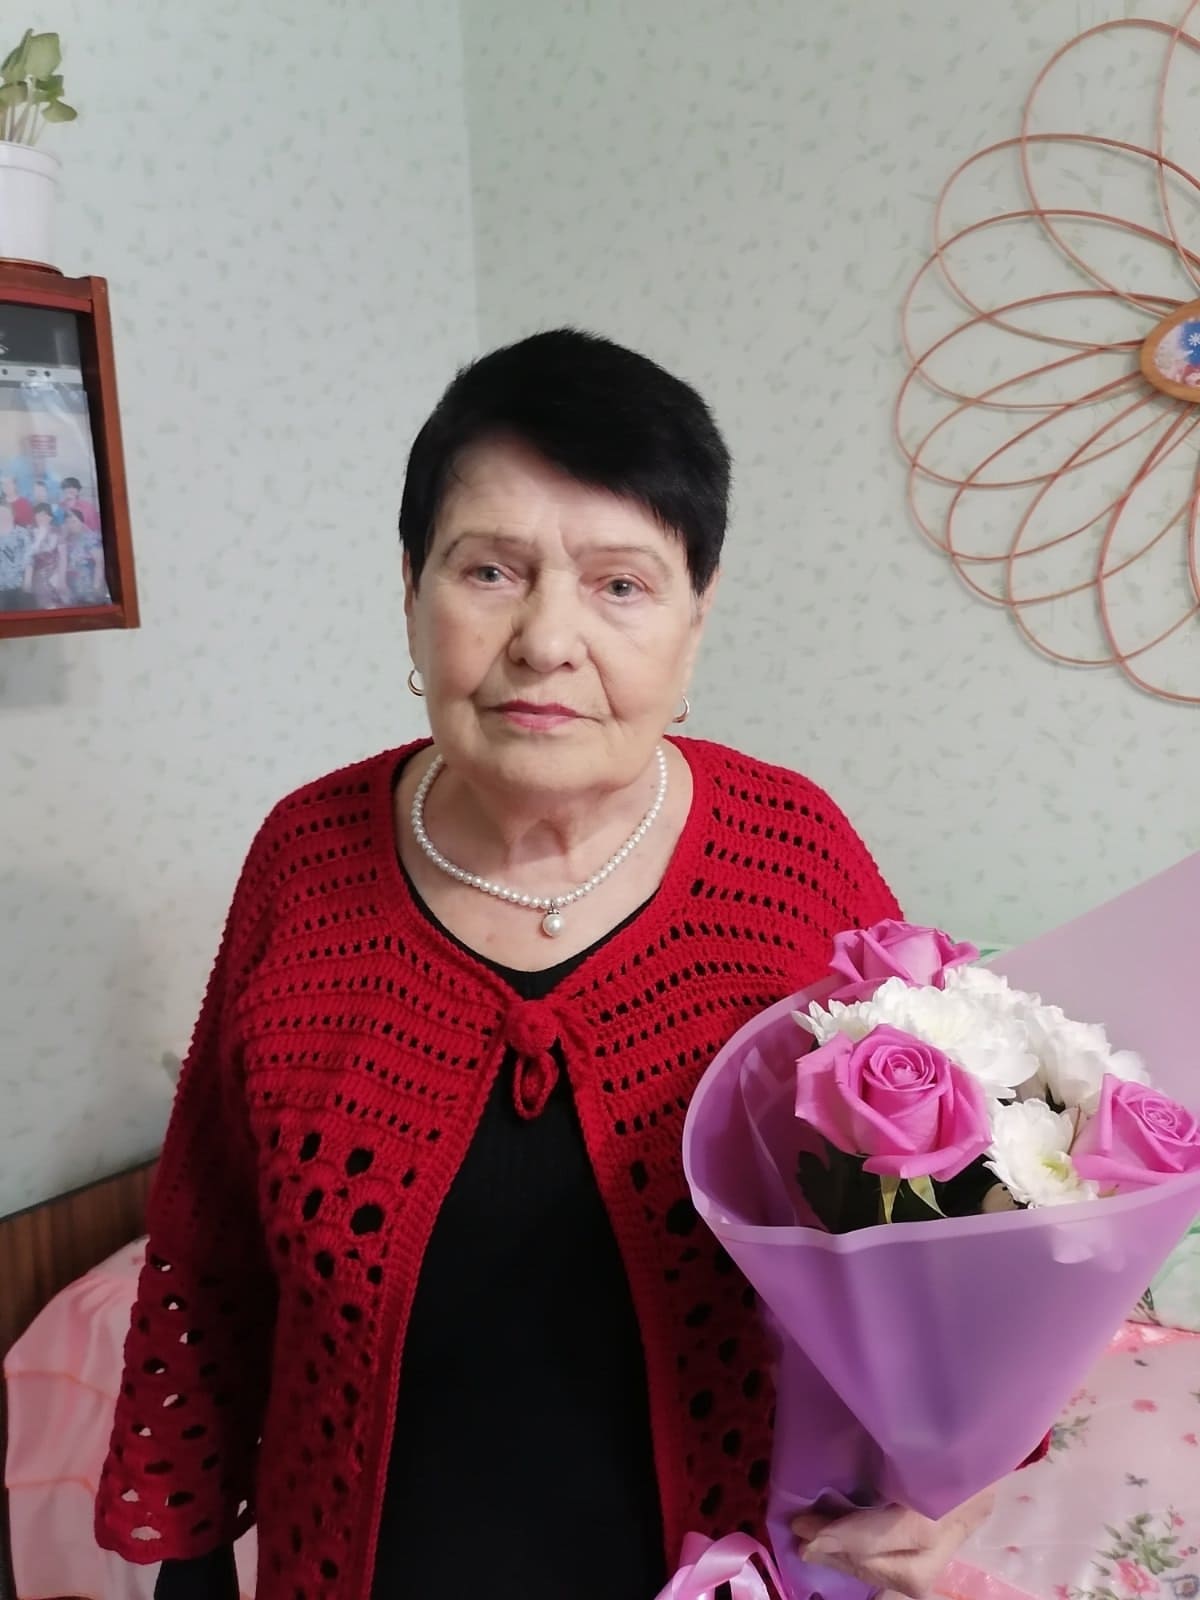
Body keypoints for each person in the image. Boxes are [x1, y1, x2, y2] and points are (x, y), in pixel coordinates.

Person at [95, 331, 1007, 1600]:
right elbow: (211, 1248)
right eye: (489, 570)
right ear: (412, 588)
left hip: (721, 1566)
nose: (545, 640)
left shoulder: (793, 858)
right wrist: (191, 1567)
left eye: (621, 583)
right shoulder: (303, 858)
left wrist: (965, 1465)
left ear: (697, 617)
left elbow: (965, 1221)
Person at [24, 502, 68, 607]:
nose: (41, 518)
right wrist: (27, 580)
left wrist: (62, 579)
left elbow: (63, 557)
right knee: (44, 605)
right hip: (37, 577)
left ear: (50, 516)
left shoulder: (57, 532)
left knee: (59, 605)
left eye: (44, 514)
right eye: (38, 514)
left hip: (55, 575)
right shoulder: (29, 532)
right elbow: (28, 557)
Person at [63, 507, 109, 605]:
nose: (71, 525)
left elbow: (99, 563)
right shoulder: (68, 540)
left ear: (81, 522)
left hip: (90, 589)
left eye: (74, 521)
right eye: (68, 522)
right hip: (74, 591)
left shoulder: (90, 538)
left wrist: (96, 586)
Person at [0, 500, 32, 609]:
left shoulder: (22, 533)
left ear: (12, 515)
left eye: (5, 513)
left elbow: (29, 559)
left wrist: (27, 580)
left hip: (17, 585)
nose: (2, 516)